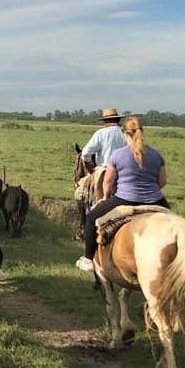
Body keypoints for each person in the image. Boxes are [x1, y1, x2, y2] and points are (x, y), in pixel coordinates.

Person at [76, 116, 169, 272]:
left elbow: (108, 182)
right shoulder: (156, 155)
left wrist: (105, 198)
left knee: (92, 217)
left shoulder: (118, 155)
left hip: (125, 200)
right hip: (155, 201)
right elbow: (162, 182)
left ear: (125, 134)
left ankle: (87, 259)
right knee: (177, 223)